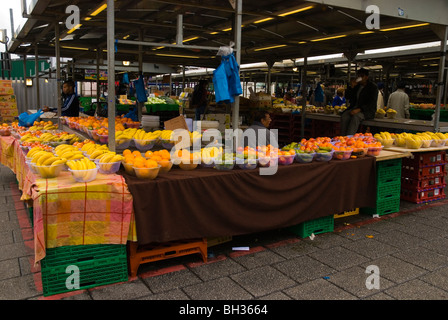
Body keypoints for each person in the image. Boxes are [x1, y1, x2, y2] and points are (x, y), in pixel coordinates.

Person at [340, 68, 378, 135]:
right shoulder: (357, 86)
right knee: (344, 116)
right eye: (358, 76)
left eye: (362, 76)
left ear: (366, 77)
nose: (359, 78)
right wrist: (351, 87)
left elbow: (371, 103)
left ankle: (349, 137)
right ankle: (342, 137)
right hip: (354, 108)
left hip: (367, 111)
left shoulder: (372, 87)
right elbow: (348, 97)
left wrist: (360, 109)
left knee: (356, 117)